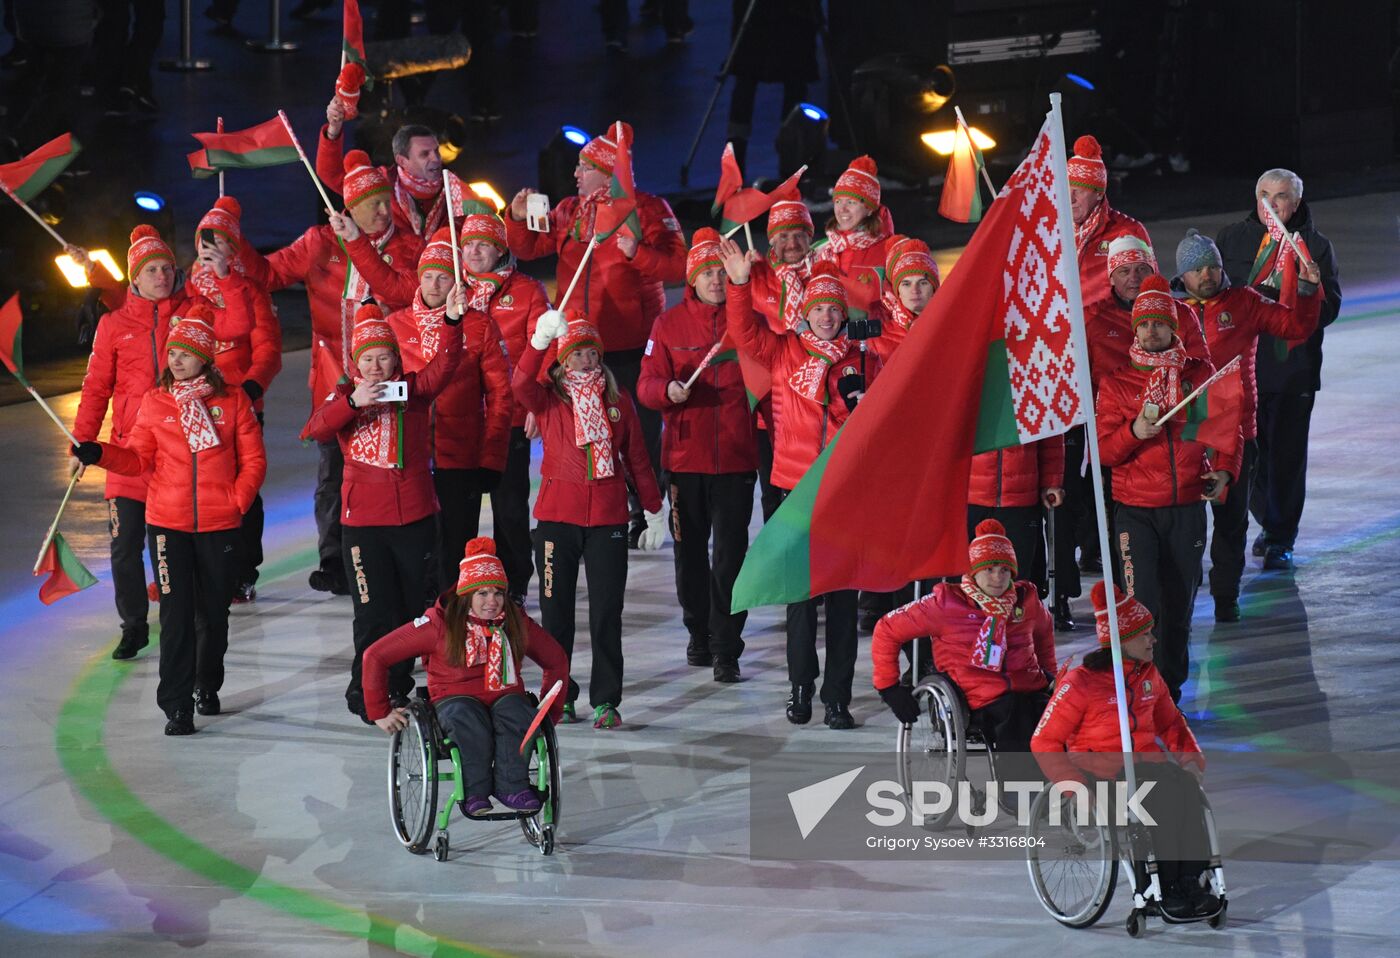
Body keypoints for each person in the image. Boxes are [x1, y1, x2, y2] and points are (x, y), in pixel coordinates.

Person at [71, 312, 266, 735]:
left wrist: (237, 501)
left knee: (212, 615)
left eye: (186, 354)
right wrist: (100, 453)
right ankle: (176, 705)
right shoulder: (156, 401)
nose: (176, 360)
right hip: (167, 524)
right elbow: (137, 458)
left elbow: (253, 460)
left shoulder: (233, 401)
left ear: (205, 359)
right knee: (176, 616)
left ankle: (206, 684)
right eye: (173, 352)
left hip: (219, 525)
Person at [241, 151, 424, 596]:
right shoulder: (319, 242)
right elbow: (266, 274)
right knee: (332, 472)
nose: (385, 211)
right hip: (333, 380)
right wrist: (235, 243)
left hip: (390, 378)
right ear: (349, 209)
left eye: (386, 202)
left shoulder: (407, 247)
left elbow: (401, 293)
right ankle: (334, 559)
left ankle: (398, 547)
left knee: (396, 461)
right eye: (374, 205)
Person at [69, 225, 255, 661]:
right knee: (124, 543)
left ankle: (188, 620)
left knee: (174, 548)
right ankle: (133, 624)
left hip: (179, 457)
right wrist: (83, 441)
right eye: (151, 269)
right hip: (129, 452)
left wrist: (225, 273)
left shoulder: (194, 311)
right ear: (133, 277)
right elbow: (96, 387)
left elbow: (240, 324)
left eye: (167, 268)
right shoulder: (114, 324)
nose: (161, 276)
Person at [723, 243, 880, 729]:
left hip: (844, 493)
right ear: (806, 313)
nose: (828, 317)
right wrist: (739, 284)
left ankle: (837, 698)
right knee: (800, 601)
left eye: (835, 309)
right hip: (795, 491)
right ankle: (800, 688)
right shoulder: (784, 350)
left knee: (840, 602)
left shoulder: (860, 359)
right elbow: (744, 330)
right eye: (819, 309)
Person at [506, 122, 686, 545]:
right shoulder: (571, 209)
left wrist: (636, 253)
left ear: (607, 173)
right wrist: (516, 219)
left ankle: (647, 508)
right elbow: (530, 247)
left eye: (583, 168)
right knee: (584, 430)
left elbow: (679, 268)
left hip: (631, 346)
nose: (575, 175)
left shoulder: (647, 208)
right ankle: (601, 510)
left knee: (635, 433)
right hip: (579, 346)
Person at [302, 303, 464, 722]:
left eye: (384, 357)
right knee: (373, 613)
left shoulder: (412, 391)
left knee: (411, 613)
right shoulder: (345, 396)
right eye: (367, 358)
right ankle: (365, 693)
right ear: (356, 362)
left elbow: (444, 366)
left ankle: (396, 686)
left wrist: (450, 323)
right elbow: (314, 430)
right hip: (363, 526)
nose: (376, 366)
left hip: (414, 517)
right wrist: (351, 403)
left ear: (396, 358)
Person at [511, 310, 665, 729]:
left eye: (591, 354)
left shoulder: (618, 402)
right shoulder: (548, 398)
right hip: (556, 520)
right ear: (562, 360)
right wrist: (540, 340)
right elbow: (519, 383)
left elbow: (637, 458)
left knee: (606, 613)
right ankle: (558, 696)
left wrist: (653, 510)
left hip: (607, 519)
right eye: (576, 354)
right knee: (556, 614)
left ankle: (606, 701)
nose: (584, 361)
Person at [1032, 581, 1216, 919]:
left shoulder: (1149, 675)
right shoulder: (1080, 683)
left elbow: (1172, 724)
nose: (1153, 640)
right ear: (1121, 640)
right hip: (1100, 773)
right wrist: (1072, 786)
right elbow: (1043, 741)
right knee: (1158, 799)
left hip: (1147, 766)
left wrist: (1190, 759)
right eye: (1145, 634)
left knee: (1186, 788)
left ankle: (1191, 879)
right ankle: (1165, 887)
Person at [1097, 275, 1239, 701]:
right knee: (1141, 609)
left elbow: (1227, 432)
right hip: (1135, 511)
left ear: (1174, 328)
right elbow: (1104, 451)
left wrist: (1225, 472)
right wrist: (1135, 431)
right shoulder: (1117, 383)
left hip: (1185, 509)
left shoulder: (1199, 376)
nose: (1152, 331)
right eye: (1144, 324)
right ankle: (1138, 696)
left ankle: (1169, 694)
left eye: (1160, 323)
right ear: (1134, 329)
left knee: (1178, 610)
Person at [1171, 229, 1322, 623]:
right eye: (1197, 269)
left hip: (1237, 434)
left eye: (1213, 266)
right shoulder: (1168, 312)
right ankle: (1183, 597)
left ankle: (1225, 597)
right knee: (1186, 527)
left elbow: (1294, 328)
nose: (1207, 275)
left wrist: (1306, 291)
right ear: (1182, 277)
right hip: (1184, 437)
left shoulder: (1245, 302)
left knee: (1231, 524)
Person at [364, 538, 569, 815]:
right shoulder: (438, 625)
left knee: (518, 714)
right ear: (466, 596)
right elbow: (375, 655)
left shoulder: (515, 621)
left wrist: (549, 715)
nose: (492, 601)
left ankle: (513, 787)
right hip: (454, 697)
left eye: (498, 593)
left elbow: (556, 661)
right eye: (482, 593)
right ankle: (475, 793)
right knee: (468, 719)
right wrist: (379, 711)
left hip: (504, 693)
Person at [637, 228, 757, 683]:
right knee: (689, 555)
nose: (715, 279)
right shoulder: (668, 325)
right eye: (706, 271)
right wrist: (666, 391)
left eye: (721, 271)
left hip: (737, 461)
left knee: (731, 556)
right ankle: (698, 631)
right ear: (691, 278)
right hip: (685, 463)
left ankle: (727, 646)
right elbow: (646, 384)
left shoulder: (746, 320)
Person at [1215, 169, 1342, 571]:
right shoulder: (1231, 239)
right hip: (1241, 367)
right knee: (1250, 457)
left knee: (1286, 458)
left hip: (1292, 370)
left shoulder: (1316, 247)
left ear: (1297, 202)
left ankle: (1280, 537)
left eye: (1282, 196)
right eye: (1265, 195)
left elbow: (1330, 308)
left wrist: (1307, 291)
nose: (1272, 204)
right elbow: (1213, 293)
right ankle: (1269, 521)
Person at [384, 229, 511, 594]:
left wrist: (492, 458)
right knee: (418, 553)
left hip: (461, 460)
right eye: (428, 276)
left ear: (457, 282)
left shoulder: (479, 326)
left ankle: (454, 635)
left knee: (455, 552)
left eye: (444, 277)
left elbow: (501, 396)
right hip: (412, 461)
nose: (435, 284)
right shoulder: (396, 325)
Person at [873, 519, 1057, 758]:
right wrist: (889, 687)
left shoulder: (1026, 600)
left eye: (1004, 570)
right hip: (978, 698)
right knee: (1018, 715)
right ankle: (1018, 794)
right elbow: (887, 628)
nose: (997, 578)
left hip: (1030, 688)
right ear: (973, 570)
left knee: (1071, 713)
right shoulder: (945, 603)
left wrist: (1050, 674)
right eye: (989, 570)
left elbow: (1044, 632)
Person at [455, 205, 553, 603]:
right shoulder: (451, 288)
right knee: (458, 508)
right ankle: (457, 581)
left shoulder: (527, 290)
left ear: (500, 250)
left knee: (509, 508)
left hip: (508, 417)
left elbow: (545, 346)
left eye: (483, 245)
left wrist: (537, 400)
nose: (475, 252)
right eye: (468, 245)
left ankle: (512, 584)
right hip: (459, 419)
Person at [187, 196, 283, 604]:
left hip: (241, 404)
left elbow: (268, 351)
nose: (212, 250)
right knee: (199, 486)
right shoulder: (189, 287)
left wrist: (250, 390)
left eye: (222, 241)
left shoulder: (251, 290)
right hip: (196, 405)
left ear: (235, 247)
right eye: (206, 242)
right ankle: (201, 570)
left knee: (243, 490)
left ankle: (243, 570)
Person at [748, 198, 816, 522]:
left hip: (812, 407)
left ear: (810, 236)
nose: (792, 244)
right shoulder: (757, 277)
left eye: (799, 234)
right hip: (769, 409)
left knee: (812, 495)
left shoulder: (823, 275)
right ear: (771, 239)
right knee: (773, 498)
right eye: (783, 235)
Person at [319, 113, 448, 240]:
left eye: (436, 151)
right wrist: (333, 132)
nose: (435, 158)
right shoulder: (379, 180)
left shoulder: (453, 190)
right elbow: (331, 173)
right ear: (402, 160)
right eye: (424, 154)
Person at [724, 0, 818, 173]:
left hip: (785, 15)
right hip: (782, 15)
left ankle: (790, 156)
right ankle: (789, 159)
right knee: (789, 79)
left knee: (788, 78)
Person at [967, 436, 1064, 598]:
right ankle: (969, 621)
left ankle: (1015, 621)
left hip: (1020, 498)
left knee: (1016, 575)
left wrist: (1051, 482)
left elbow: (1051, 438)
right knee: (969, 575)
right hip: (970, 495)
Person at [1066, 134, 1152, 310]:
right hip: (1062, 330)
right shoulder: (1051, 232)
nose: (1070, 198)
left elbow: (1150, 293)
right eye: (1067, 189)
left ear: (1099, 193)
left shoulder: (1128, 231)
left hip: (1110, 331)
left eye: (1079, 191)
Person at [814, 155, 895, 282]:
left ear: (869, 209)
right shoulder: (820, 250)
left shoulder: (891, 251)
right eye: (838, 201)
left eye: (851, 202)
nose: (842, 209)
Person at [870, 235, 938, 365]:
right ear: (898, 292)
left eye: (923, 283)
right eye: (906, 284)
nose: (915, 290)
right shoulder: (876, 340)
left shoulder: (950, 328)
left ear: (934, 288)